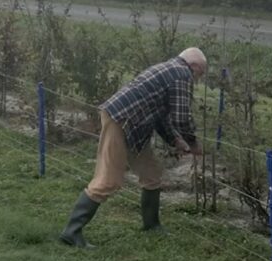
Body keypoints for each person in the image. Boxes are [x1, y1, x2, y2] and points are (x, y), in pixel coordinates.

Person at [58, 47, 207, 249]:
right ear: (195, 66)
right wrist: (193, 143)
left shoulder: (167, 68)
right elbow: (182, 117)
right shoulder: (182, 73)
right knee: (108, 180)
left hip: (135, 126)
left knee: (151, 174)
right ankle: (71, 232)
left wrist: (175, 140)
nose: (196, 80)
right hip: (122, 121)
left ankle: (151, 225)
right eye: (199, 75)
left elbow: (161, 114)